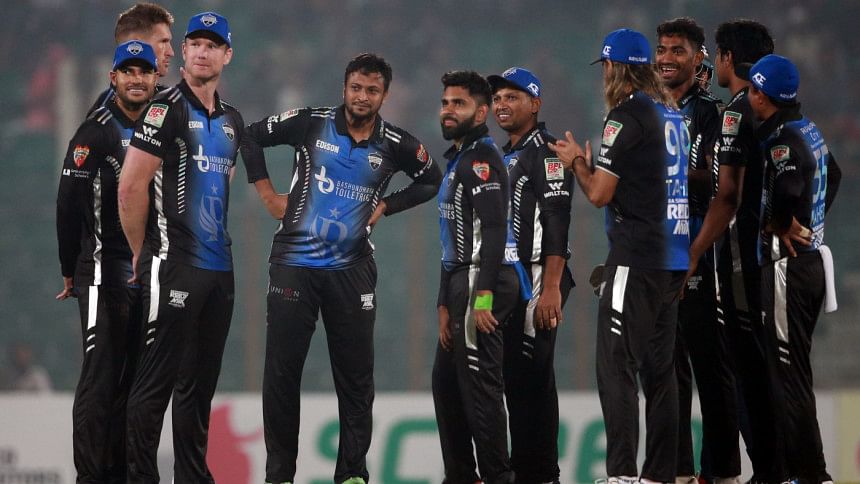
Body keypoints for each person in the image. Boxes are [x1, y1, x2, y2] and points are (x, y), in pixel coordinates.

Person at [240, 53, 442, 484]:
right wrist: (268, 196)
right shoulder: (311, 122)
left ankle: (352, 475)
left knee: (355, 379)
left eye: (372, 90)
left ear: (384, 95)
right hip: (294, 263)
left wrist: (388, 206)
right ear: (344, 88)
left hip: (352, 270)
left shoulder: (397, 144)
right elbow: (250, 136)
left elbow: (431, 179)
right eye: (356, 88)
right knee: (282, 375)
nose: (362, 97)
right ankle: (279, 476)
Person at [550, 29, 689, 484]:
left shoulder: (624, 116)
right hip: (672, 258)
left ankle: (623, 474)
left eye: (605, 68)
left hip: (635, 257)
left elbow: (598, 194)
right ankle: (659, 474)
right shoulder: (672, 114)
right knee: (661, 372)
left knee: (616, 366)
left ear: (613, 68)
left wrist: (577, 162)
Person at [118, 12, 242, 483]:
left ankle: (192, 477)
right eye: (195, 44)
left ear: (227, 55)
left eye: (213, 45)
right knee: (154, 383)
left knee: (198, 388)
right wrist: (141, 252)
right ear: (184, 52)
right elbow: (130, 187)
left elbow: (223, 185)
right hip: (173, 263)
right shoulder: (163, 109)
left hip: (219, 270)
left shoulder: (233, 120)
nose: (203, 52)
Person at [56, 39, 158, 483]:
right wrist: (70, 269)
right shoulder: (95, 131)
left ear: (156, 78)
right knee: (100, 376)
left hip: (147, 271)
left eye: (144, 71)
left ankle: (120, 472)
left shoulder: (164, 126)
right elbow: (67, 202)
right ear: (112, 78)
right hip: (101, 269)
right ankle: (90, 476)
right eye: (128, 71)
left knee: (134, 381)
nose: (137, 79)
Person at [685, 20, 782, 482]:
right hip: (770, 262)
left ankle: (770, 470)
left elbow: (726, 197)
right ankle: (775, 469)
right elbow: (825, 170)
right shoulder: (775, 111)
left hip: (741, 262)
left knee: (749, 374)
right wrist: (790, 219)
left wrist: (695, 251)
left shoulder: (735, 112)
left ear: (725, 58)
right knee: (762, 371)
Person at [748, 54, 840, 484]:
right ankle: (802, 472)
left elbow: (787, 186)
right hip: (811, 262)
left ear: (761, 95)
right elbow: (834, 175)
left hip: (789, 266)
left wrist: (781, 222)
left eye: (752, 91)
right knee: (791, 371)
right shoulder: (809, 128)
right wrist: (813, 221)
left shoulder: (782, 139)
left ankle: (810, 474)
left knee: (787, 376)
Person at [654, 17, 737, 484]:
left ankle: (721, 472)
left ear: (699, 57)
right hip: (659, 253)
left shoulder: (712, 114)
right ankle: (679, 471)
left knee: (710, 365)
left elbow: (722, 183)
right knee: (667, 370)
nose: (667, 59)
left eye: (678, 50)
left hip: (702, 251)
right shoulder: (647, 109)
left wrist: (666, 172)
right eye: (662, 50)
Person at [432, 70, 519, 484]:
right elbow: (450, 237)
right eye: (445, 102)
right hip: (459, 283)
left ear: (481, 112)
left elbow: (496, 228)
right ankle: (461, 476)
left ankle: (497, 476)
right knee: (447, 384)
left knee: (480, 388)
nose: (448, 110)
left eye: (459, 103)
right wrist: (442, 303)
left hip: (479, 280)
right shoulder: (459, 158)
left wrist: (483, 296)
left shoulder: (480, 158)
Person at [488, 66, 573, 484]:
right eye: (497, 98)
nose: (501, 104)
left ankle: (538, 473)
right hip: (508, 283)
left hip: (538, 277)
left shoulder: (548, 152)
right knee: (518, 379)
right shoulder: (502, 154)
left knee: (530, 379)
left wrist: (551, 287)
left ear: (535, 104)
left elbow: (557, 218)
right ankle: (532, 470)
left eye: (512, 97)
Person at [87, 3, 175, 116]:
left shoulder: (173, 102)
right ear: (136, 45)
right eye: (163, 42)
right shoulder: (104, 117)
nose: (170, 52)